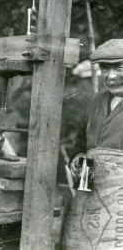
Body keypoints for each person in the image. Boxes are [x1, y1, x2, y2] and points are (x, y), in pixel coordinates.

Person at [64, 39, 123, 249]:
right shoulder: (97, 100)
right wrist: (78, 155)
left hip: (120, 201)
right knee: (82, 239)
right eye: (105, 68)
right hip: (89, 190)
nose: (112, 76)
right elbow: (81, 141)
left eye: (120, 67)